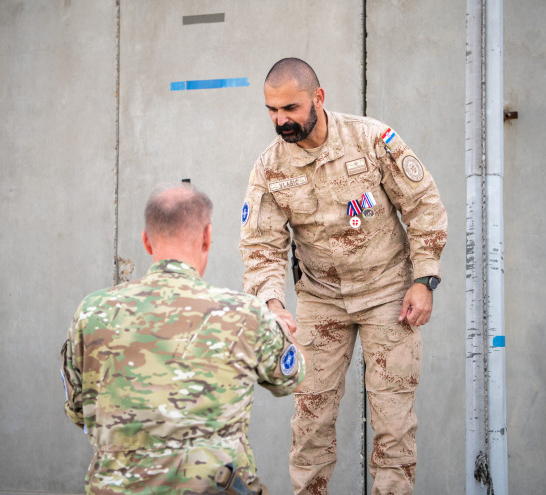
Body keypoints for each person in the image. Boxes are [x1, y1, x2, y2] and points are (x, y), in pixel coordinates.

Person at [239, 58, 448, 495]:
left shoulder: (371, 139)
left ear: (318, 98)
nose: (281, 121)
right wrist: (273, 305)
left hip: (389, 294)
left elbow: (423, 205)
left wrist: (424, 278)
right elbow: (261, 246)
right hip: (320, 300)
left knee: (393, 422)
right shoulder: (270, 169)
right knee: (310, 422)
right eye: (272, 111)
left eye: (291, 108)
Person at [61, 184, 305, 494]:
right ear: (207, 236)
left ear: (146, 242)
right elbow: (290, 378)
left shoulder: (92, 312)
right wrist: (282, 329)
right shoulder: (246, 313)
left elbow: (77, 410)